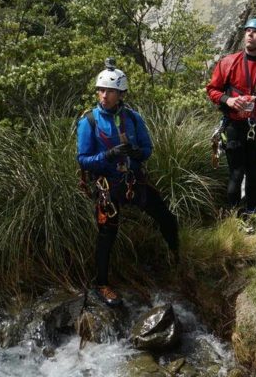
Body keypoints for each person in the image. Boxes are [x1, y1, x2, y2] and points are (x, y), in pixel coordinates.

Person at [76, 59, 180, 308]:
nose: (104, 95)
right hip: (107, 185)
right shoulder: (89, 121)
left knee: (165, 216)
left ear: (121, 94)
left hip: (133, 181)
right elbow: (83, 159)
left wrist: (136, 153)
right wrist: (108, 155)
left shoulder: (133, 118)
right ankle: (101, 283)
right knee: (107, 233)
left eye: (110, 91)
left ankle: (178, 258)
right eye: (101, 90)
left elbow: (147, 148)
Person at [206, 16, 256, 216]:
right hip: (234, 126)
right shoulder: (228, 62)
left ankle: (251, 212)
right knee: (236, 173)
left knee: (254, 174)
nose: (250, 35)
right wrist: (228, 100)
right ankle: (233, 215)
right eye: (248, 31)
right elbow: (212, 89)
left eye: (255, 32)